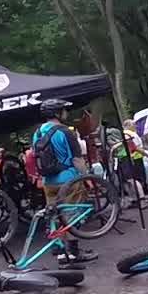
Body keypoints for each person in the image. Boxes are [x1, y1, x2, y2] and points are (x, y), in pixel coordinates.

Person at [31, 98, 95, 265]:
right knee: (72, 215)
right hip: (69, 180)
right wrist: (87, 177)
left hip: (48, 182)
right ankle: (73, 252)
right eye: (63, 110)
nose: (66, 113)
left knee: (54, 215)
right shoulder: (65, 131)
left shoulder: (37, 133)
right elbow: (77, 159)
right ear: (57, 113)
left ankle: (60, 251)